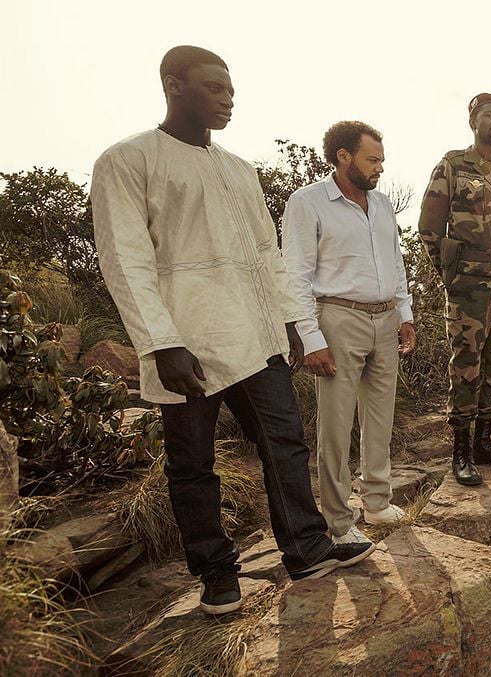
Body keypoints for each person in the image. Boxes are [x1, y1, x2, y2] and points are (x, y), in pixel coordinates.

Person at [91, 46, 372, 616]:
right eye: (214, 87)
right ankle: (217, 574)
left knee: (285, 444)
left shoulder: (240, 170)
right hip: (184, 339)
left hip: (256, 332)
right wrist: (159, 342)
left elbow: (269, 257)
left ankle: (307, 547)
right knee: (193, 465)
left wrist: (293, 321)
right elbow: (124, 257)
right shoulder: (128, 159)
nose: (229, 97)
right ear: (174, 86)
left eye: (231, 88)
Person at [281, 121, 415, 544]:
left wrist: (405, 311)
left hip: (385, 318)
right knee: (335, 426)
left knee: (380, 416)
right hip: (338, 319)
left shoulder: (382, 205)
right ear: (343, 156)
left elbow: (396, 261)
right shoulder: (308, 202)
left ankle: (376, 503)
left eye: (381, 160)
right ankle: (339, 522)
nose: (379, 168)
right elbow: (295, 273)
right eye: (371, 159)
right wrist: (310, 337)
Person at [418, 93, 491, 486]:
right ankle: (460, 451)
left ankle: (485, 441)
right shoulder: (453, 165)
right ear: (473, 121)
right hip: (468, 284)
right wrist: (452, 275)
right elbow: (429, 228)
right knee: (466, 365)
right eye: (489, 115)